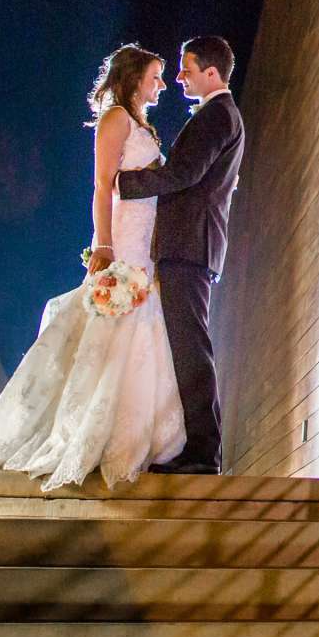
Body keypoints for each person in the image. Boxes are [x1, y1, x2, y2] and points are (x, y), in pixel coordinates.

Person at [0, 44, 186, 487]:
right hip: (123, 240)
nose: (161, 84)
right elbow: (102, 185)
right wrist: (104, 245)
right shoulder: (116, 118)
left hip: (146, 243)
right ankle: (85, 434)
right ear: (136, 77)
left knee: (138, 337)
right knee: (108, 333)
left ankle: (132, 435)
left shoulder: (143, 126)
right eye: (156, 75)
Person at [115, 34, 242, 474]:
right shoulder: (219, 115)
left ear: (211, 72)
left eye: (186, 68)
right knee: (186, 345)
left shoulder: (218, 115)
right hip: (191, 244)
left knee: (191, 347)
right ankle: (196, 448)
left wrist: (127, 185)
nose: (180, 76)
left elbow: (187, 173)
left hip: (191, 245)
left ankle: (203, 455)